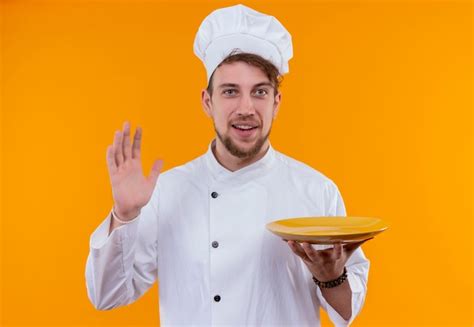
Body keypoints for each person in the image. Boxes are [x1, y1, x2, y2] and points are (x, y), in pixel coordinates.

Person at [85, 4, 370, 326]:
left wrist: (330, 276)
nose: (246, 108)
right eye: (230, 92)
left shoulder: (317, 190)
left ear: (276, 102)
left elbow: (347, 311)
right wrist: (124, 216)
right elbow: (107, 296)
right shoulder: (166, 191)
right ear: (208, 102)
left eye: (260, 92)